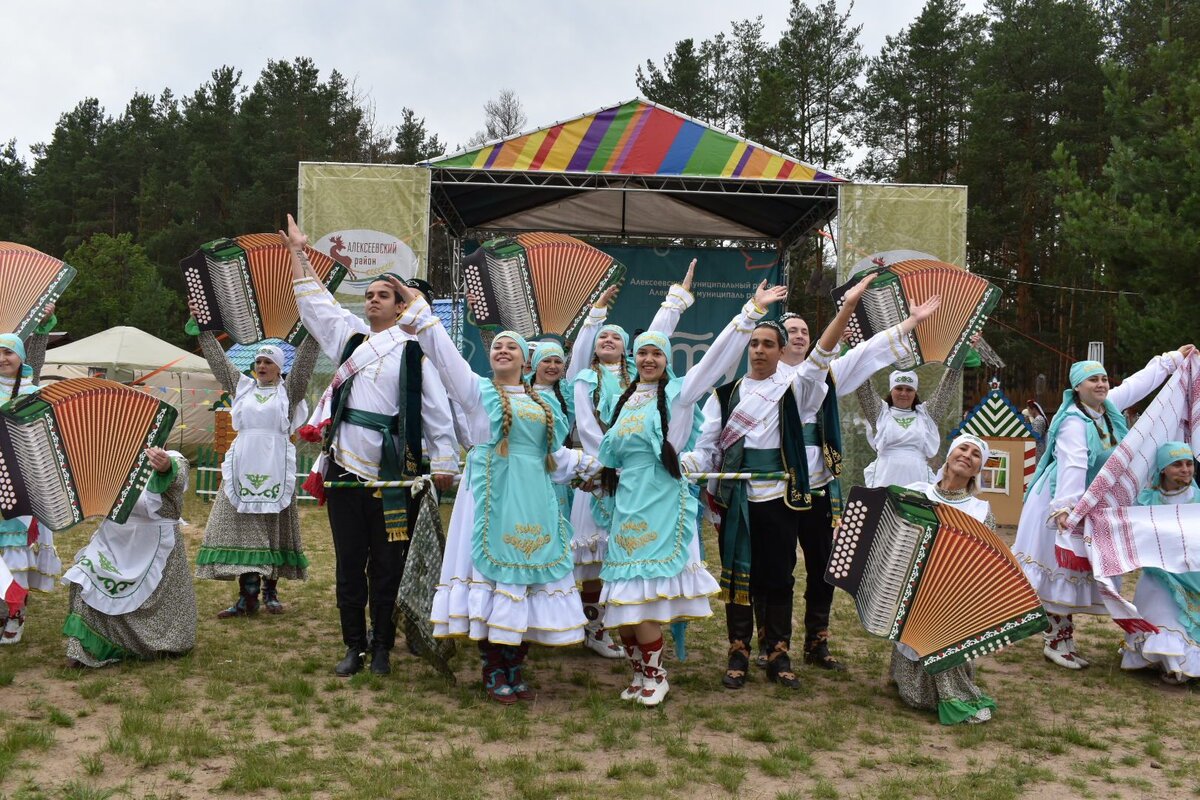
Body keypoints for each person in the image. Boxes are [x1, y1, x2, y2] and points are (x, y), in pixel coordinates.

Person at [688, 279, 939, 691]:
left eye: (768, 343)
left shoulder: (803, 385)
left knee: (787, 574)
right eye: (755, 343)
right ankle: (739, 650)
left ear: (781, 347)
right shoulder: (725, 394)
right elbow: (708, 449)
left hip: (798, 491)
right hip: (742, 497)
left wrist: (902, 322)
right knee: (739, 577)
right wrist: (686, 464)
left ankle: (785, 649)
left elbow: (848, 354)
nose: (760, 349)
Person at [392, 282, 600, 703]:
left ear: (527, 361)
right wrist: (422, 311)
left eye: (512, 348)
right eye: (497, 347)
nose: (503, 351)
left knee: (528, 575)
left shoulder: (544, 404)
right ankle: (493, 666)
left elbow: (554, 456)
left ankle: (515, 663)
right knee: (493, 575)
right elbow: (446, 358)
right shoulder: (476, 393)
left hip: (535, 495)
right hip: (491, 493)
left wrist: (591, 467)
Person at [284, 215, 459, 677]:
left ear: (403, 305)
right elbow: (317, 305)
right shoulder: (352, 339)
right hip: (343, 468)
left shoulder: (416, 350)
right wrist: (299, 252)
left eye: (383, 295)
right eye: (369, 295)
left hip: (393, 471)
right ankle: (353, 646)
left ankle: (382, 647)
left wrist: (442, 460)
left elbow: (438, 410)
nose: (373, 300)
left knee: (385, 564)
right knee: (349, 563)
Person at [598, 280, 788, 706]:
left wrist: (749, 313)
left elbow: (719, 358)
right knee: (622, 603)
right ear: (634, 358)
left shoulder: (679, 395)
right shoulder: (625, 401)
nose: (648, 359)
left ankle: (656, 675)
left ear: (667, 360)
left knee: (639, 601)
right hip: (626, 503)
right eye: (642, 352)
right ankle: (640, 675)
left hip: (661, 502)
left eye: (657, 353)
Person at [765, 297, 940, 671]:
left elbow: (867, 354)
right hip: (777, 483)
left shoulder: (827, 374)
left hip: (819, 484)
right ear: (779, 341)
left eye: (804, 332)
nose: (799, 336)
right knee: (777, 568)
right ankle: (775, 645)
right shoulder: (763, 380)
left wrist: (909, 324)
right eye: (792, 331)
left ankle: (818, 642)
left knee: (823, 566)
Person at [1014, 347, 1194, 669]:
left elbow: (1136, 385)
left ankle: (1065, 639)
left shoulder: (1106, 409)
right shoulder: (1072, 420)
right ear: (1077, 388)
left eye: (1103, 379)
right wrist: (1066, 509)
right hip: (1059, 503)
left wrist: (1171, 360)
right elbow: (1073, 462)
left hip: (1088, 501)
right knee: (1060, 573)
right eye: (1092, 380)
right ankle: (1055, 641)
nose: (1101, 384)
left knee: (1071, 575)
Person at [567, 265, 695, 658]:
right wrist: (605, 465)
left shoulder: (638, 383)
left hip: (636, 480)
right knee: (593, 559)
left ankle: (620, 627)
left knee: (622, 553)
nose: (607, 340)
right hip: (601, 473)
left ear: (627, 349)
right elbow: (589, 428)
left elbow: (658, 338)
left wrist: (674, 303)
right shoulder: (583, 377)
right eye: (601, 337)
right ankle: (593, 628)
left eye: (615, 338)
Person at [193, 321, 319, 618]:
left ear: (278, 368)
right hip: (242, 464)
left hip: (274, 465)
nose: (261, 365)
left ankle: (270, 592)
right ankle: (246, 595)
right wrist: (203, 331)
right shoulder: (243, 387)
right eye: (258, 361)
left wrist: (314, 327)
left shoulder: (290, 392)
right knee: (241, 531)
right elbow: (219, 363)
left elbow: (303, 365)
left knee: (272, 529)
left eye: (268, 362)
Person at [893, 434, 999, 724]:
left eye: (976, 455)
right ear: (949, 457)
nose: (968, 455)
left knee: (942, 614)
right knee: (915, 697)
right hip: (912, 590)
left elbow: (985, 562)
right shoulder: (917, 492)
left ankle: (957, 695)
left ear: (979, 469)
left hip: (954, 596)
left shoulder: (981, 510)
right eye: (963, 449)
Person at [62, 448, 197, 667]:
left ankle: (156, 642)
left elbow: (177, 473)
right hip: (114, 538)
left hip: (153, 541)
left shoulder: (174, 457)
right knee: (85, 575)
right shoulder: (113, 459)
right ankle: (83, 646)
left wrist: (165, 467)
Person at [0, 307, 59, 645]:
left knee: (14, 552)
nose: (2, 358)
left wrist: (41, 325)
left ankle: (15, 615)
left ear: (20, 357)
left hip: (22, 483)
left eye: (8, 352)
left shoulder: (30, 393)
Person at [1121, 441, 1200, 684]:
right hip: (1159, 574)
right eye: (1177, 464)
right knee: (1161, 610)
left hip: (1192, 575)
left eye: (1189, 464)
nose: (1185, 469)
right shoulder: (1147, 501)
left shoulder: (1198, 499)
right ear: (1163, 469)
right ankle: (1171, 664)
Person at [857, 362, 965, 489]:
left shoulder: (926, 415)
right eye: (899, 388)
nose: (904, 393)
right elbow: (864, 388)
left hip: (917, 477)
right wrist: (856, 355)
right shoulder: (880, 413)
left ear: (915, 392)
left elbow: (946, 389)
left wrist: (960, 359)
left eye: (909, 389)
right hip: (885, 476)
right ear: (891, 390)